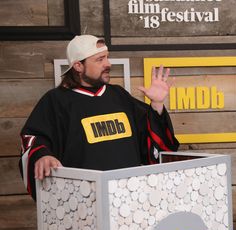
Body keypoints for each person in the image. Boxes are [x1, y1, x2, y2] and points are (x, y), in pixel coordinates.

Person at [19, 35, 179, 199]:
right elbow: (34, 137)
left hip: (129, 199)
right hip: (82, 203)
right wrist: (42, 154)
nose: (108, 64)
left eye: (107, 57)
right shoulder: (55, 101)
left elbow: (152, 140)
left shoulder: (118, 95)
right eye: (100, 59)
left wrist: (157, 104)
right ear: (78, 66)